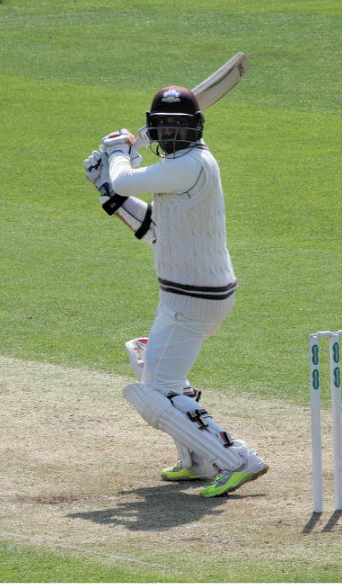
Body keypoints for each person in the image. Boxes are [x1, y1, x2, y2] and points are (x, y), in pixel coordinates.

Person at [83, 86, 268, 498]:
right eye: (163, 125)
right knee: (147, 360)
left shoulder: (190, 164)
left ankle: (237, 458)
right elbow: (155, 232)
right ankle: (198, 458)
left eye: (178, 126)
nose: (170, 133)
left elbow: (127, 178)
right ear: (154, 127)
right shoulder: (177, 168)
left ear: (195, 129)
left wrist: (116, 152)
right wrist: (108, 193)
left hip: (194, 297)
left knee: (156, 392)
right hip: (189, 293)